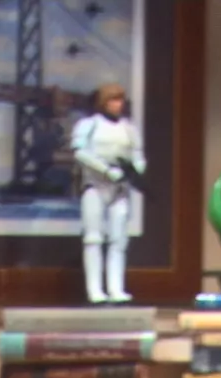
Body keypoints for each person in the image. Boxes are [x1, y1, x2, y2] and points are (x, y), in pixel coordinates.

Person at [72, 82, 146, 304]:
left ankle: (116, 288)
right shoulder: (89, 125)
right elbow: (80, 152)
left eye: (120, 99)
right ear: (103, 102)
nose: (117, 104)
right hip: (95, 185)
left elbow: (138, 155)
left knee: (118, 241)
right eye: (113, 99)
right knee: (93, 239)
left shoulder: (129, 128)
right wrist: (105, 170)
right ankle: (94, 289)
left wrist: (135, 170)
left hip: (120, 188)